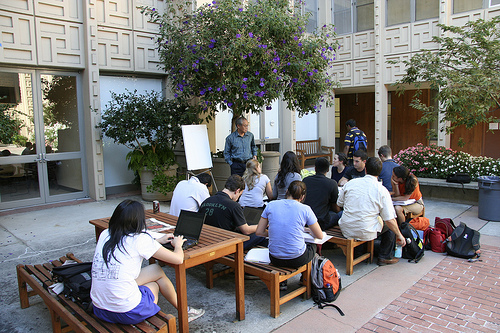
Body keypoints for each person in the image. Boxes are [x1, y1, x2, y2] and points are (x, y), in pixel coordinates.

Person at [90, 200, 205, 325]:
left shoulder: (105, 234)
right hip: (127, 313)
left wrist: (157, 241)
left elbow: (139, 242)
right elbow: (178, 259)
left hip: (99, 308)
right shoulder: (139, 239)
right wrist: (178, 245)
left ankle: (185, 310)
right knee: (154, 285)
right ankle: (184, 311)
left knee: (155, 269)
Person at [337, 157, 406, 266]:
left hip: (346, 228)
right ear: (380, 172)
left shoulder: (351, 183)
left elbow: (339, 203)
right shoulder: (382, 190)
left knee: (357, 218)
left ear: (365, 169)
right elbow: (390, 219)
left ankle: (359, 251)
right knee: (391, 226)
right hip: (365, 230)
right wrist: (400, 235)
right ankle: (384, 256)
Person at [256, 180, 323, 289]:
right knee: (314, 245)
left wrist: (273, 232)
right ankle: (305, 280)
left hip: (275, 257)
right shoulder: (305, 209)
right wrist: (309, 230)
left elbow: (259, 231)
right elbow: (319, 235)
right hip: (297, 258)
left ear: (287, 191)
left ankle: (283, 282)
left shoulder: (271, 205)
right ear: (302, 197)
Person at [199, 174, 267, 250]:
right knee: (260, 234)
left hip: (207, 241)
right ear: (237, 191)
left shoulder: (206, 201)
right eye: (240, 195)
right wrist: (263, 225)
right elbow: (246, 231)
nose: (238, 198)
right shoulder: (233, 206)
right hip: (226, 245)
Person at [303, 157, 341, 230]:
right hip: (321, 222)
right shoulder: (332, 183)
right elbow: (335, 206)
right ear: (328, 169)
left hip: (306, 219)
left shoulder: (306, 180)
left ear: (315, 169)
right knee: (339, 214)